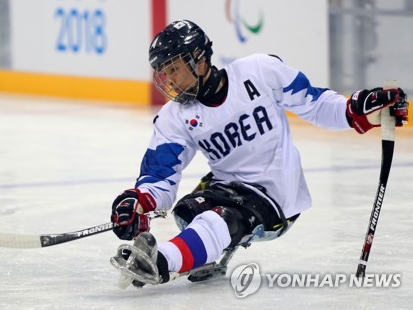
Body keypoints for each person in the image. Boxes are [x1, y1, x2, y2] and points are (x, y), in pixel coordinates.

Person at [109, 19, 408, 288]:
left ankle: (162, 263)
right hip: (230, 188)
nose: (170, 80)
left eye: (174, 68)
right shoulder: (174, 117)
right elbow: (160, 176)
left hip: (276, 195)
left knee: (219, 219)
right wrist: (139, 202)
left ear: (199, 60)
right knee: (189, 212)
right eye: (164, 73)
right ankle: (211, 254)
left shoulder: (260, 72)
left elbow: (317, 105)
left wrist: (358, 109)